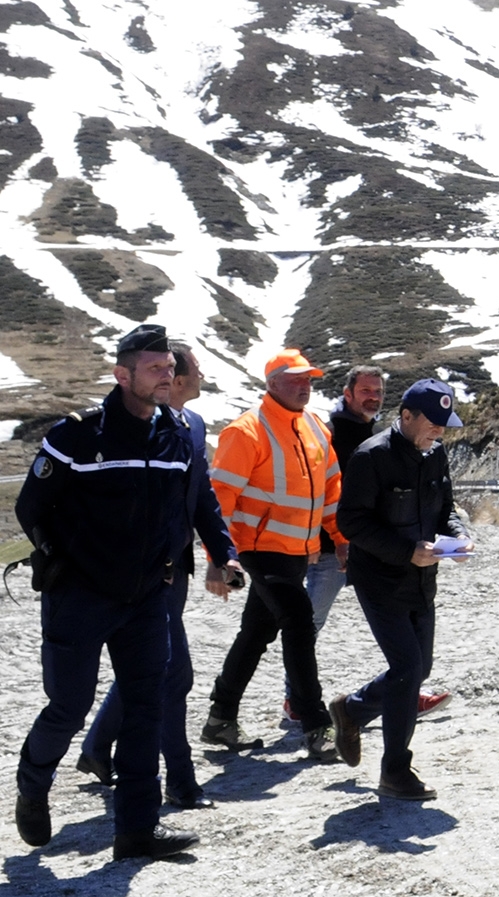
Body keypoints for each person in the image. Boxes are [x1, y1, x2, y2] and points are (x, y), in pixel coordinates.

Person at [14, 324, 208, 860]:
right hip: (80, 598)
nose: (166, 375)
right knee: (69, 706)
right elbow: (31, 508)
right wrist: (61, 565)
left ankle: (137, 832)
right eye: (154, 368)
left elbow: (181, 509)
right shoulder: (79, 435)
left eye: (170, 367)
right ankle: (32, 785)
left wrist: (173, 563)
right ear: (122, 375)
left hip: (146, 599)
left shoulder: (174, 435)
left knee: (146, 708)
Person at [75, 340, 242, 810]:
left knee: (151, 667)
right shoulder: (135, 428)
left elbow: (201, 497)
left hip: (174, 572)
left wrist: (221, 553)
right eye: (190, 370)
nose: (197, 377)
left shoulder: (191, 426)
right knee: (173, 674)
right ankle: (181, 781)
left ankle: (94, 749)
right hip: (133, 575)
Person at [327, 381, 471, 801]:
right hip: (380, 582)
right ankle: (395, 772)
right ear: (406, 416)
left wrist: (459, 537)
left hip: (423, 580)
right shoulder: (372, 457)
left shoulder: (436, 453)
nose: (440, 432)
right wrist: (409, 551)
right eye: (433, 424)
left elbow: (446, 508)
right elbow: (352, 522)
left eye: (446, 425)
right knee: (407, 669)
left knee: (418, 669)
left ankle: (351, 710)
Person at [202, 348, 344, 764]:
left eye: (309, 379)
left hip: (300, 552)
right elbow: (218, 500)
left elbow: (332, 487)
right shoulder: (246, 432)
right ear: (271, 384)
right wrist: (219, 556)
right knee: (298, 623)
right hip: (260, 551)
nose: (305, 386)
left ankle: (220, 717)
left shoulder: (316, 426)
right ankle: (316, 724)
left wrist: (340, 538)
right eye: (296, 379)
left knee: (257, 632)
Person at [288, 366, 450, 722]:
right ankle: (297, 700)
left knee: (409, 658)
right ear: (347, 394)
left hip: (376, 550)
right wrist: (320, 540)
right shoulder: (333, 435)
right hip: (330, 548)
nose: (372, 397)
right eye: (365, 391)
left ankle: (399, 693)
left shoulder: (385, 437)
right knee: (307, 625)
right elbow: (317, 492)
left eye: (378, 391)